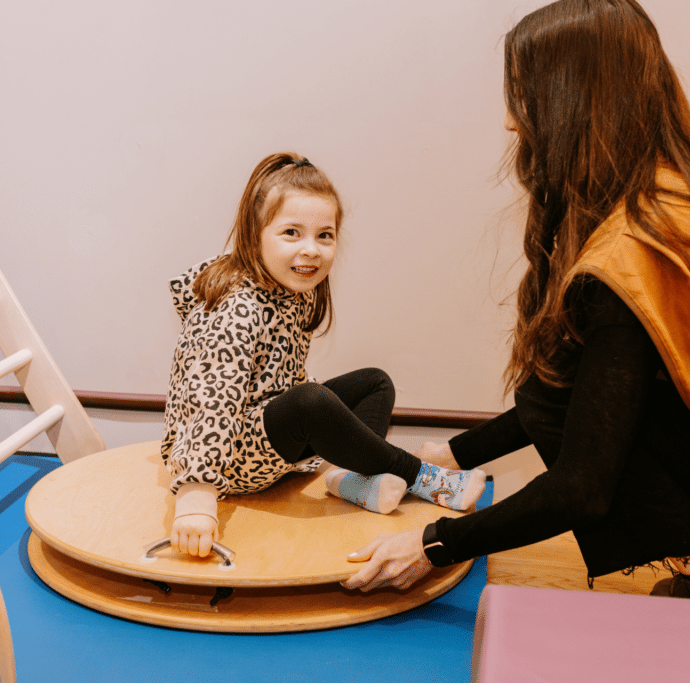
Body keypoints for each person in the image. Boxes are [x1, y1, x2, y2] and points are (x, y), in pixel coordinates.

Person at [341, 2, 690, 682]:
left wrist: (433, 543)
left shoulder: (634, 250)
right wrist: (453, 452)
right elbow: (600, 393)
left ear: (571, 102)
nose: (511, 120)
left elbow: (583, 486)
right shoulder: (686, 194)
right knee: (562, 386)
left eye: (523, 96)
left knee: (554, 395)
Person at [162, 151, 486, 559]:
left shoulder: (292, 288)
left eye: (325, 236)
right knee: (310, 400)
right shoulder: (236, 309)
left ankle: (352, 480)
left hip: (265, 437)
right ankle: (423, 477)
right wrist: (195, 497)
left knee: (375, 382)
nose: (311, 250)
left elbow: (280, 379)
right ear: (253, 234)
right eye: (291, 233)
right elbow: (211, 404)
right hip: (227, 459)